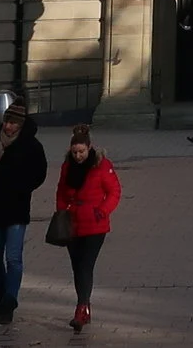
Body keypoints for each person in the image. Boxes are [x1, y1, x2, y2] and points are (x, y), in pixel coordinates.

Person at [0, 100, 49, 322]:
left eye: (13, 123)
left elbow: (39, 174)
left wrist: (21, 186)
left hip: (17, 207)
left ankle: (10, 300)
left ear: (21, 125)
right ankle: (0, 295)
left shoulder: (32, 146)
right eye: (6, 122)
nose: (8, 127)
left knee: (13, 258)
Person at [54, 125, 121, 331]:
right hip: (72, 223)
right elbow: (61, 191)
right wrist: (61, 213)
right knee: (77, 266)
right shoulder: (67, 167)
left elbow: (114, 191)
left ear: (89, 148)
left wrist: (102, 211)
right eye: (74, 152)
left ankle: (81, 309)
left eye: (81, 152)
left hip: (95, 224)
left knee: (85, 264)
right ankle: (85, 305)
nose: (78, 156)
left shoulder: (102, 165)